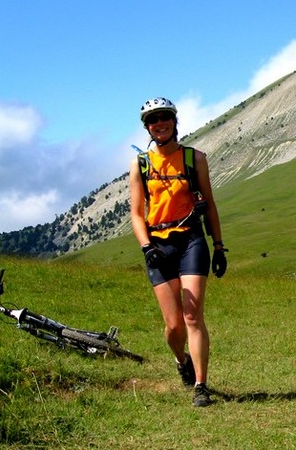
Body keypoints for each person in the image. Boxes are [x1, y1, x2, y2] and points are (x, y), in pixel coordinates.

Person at [128, 97, 227, 407]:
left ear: (174, 121)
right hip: (158, 244)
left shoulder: (194, 158)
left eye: (164, 117)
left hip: (190, 241)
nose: (159, 123)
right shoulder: (140, 165)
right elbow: (135, 212)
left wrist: (219, 246)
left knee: (192, 316)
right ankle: (181, 361)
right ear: (147, 126)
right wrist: (146, 247)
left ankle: (201, 385)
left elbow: (209, 203)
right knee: (174, 326)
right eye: (152, 120)